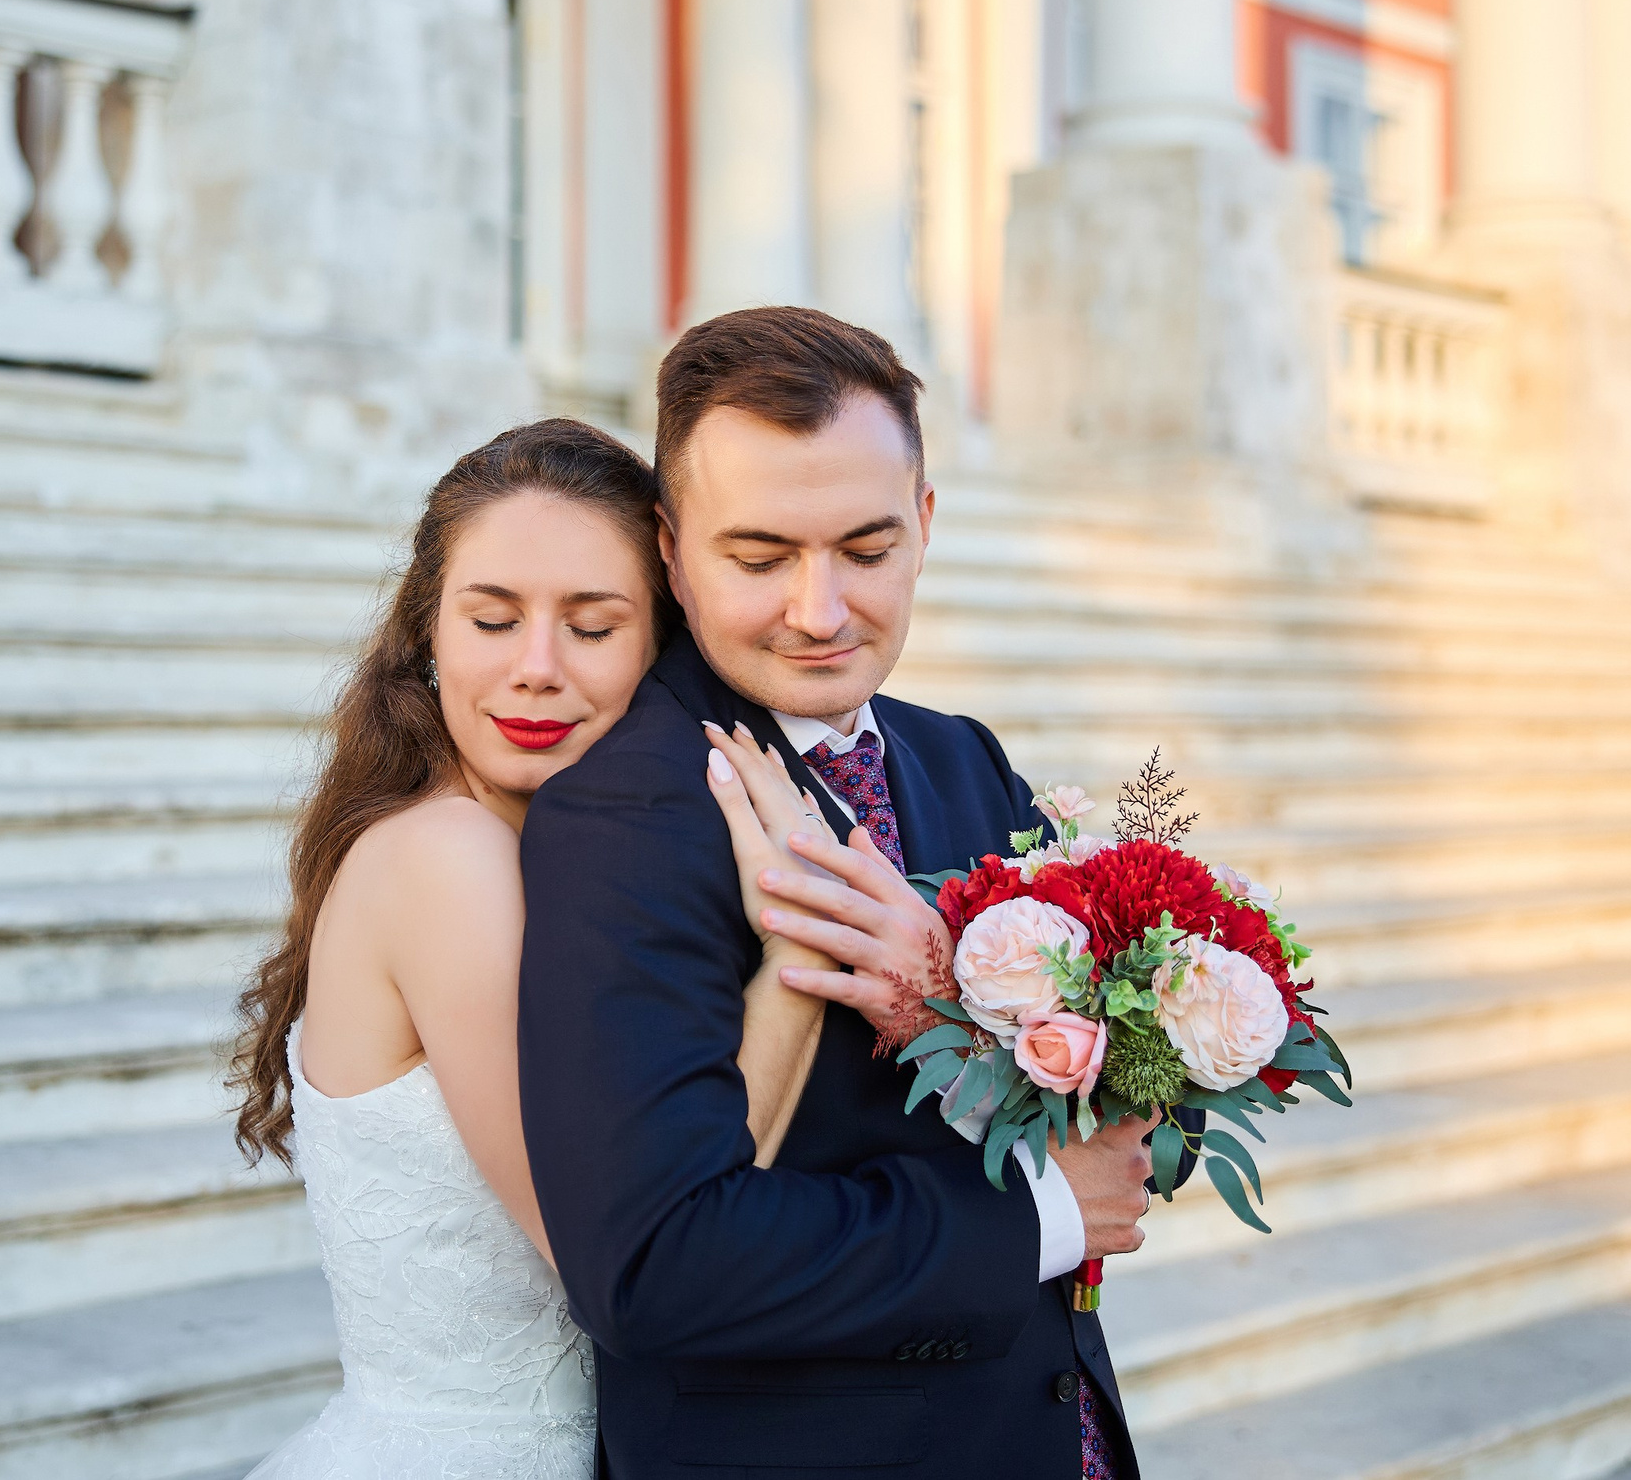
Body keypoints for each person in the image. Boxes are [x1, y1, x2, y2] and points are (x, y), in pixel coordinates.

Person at [518, 307, 1162, 1480]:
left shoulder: (961, 757)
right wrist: (1043, 1218)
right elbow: (655, 1267)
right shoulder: (627, 819)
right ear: (669, 550)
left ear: (922, 525)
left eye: (864, 552)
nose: (818, 613)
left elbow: (1129, 1144)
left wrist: (952, 1002)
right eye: (758, 559)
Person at [228, 418, 872, 1478]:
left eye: (592, 625)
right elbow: (647, 1244)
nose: (535, 670)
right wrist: (802, 948)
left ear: (657, 644)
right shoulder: (446, 859)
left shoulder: (549, 858)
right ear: (425, 636)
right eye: (491, 620)